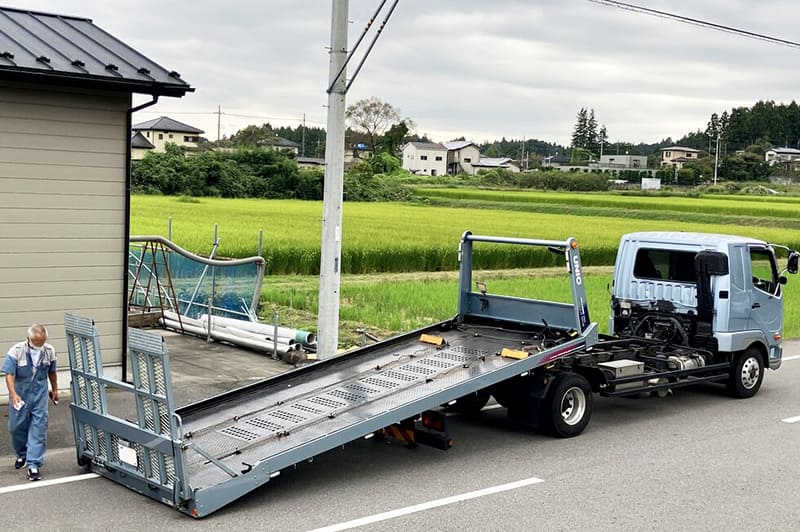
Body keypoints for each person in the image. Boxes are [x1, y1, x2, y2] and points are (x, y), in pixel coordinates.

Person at [3, 324, 58, 481]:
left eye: (43, 342)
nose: (40, 346)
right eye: (37, 343)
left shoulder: (49, 351)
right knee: (16, 427)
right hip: (20, 395)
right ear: (29, 339)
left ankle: (33, 465)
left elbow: (52, 372)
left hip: (39, 395)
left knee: (38, 429)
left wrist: (54, 390)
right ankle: (22, 454)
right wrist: (13, 394)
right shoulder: (16, 351)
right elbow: (9, 374)